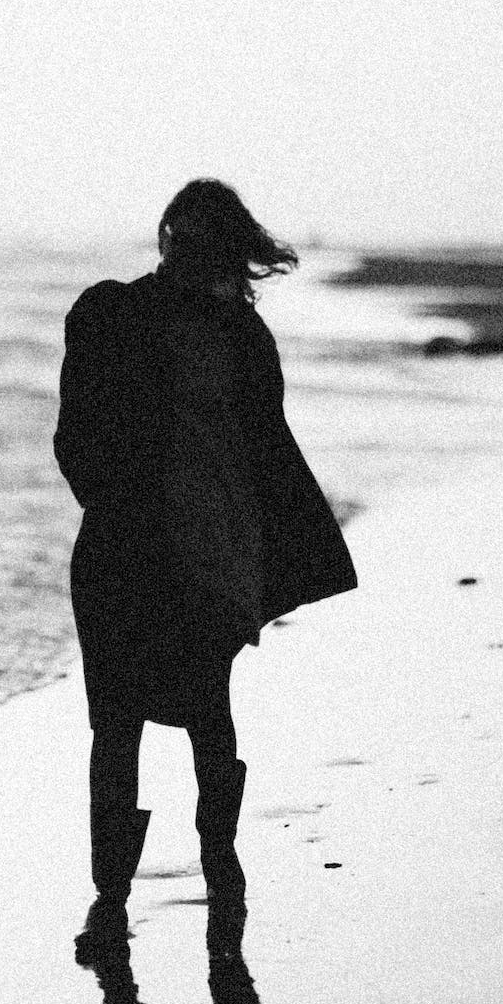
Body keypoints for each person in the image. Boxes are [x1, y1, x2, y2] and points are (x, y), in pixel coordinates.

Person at [54, 179, 357, 963]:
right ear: (166, 238)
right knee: (117, 720)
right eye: (180, 239)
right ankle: (112, 897)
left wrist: (255, 548)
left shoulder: (242, 338)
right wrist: (115, 503)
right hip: (122, 546)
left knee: (201, 710)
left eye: (204, 244)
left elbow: (263, 449)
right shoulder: (111, 311)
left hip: (205, 548)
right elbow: (74, 431)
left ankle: (218, 862)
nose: (187, 254)